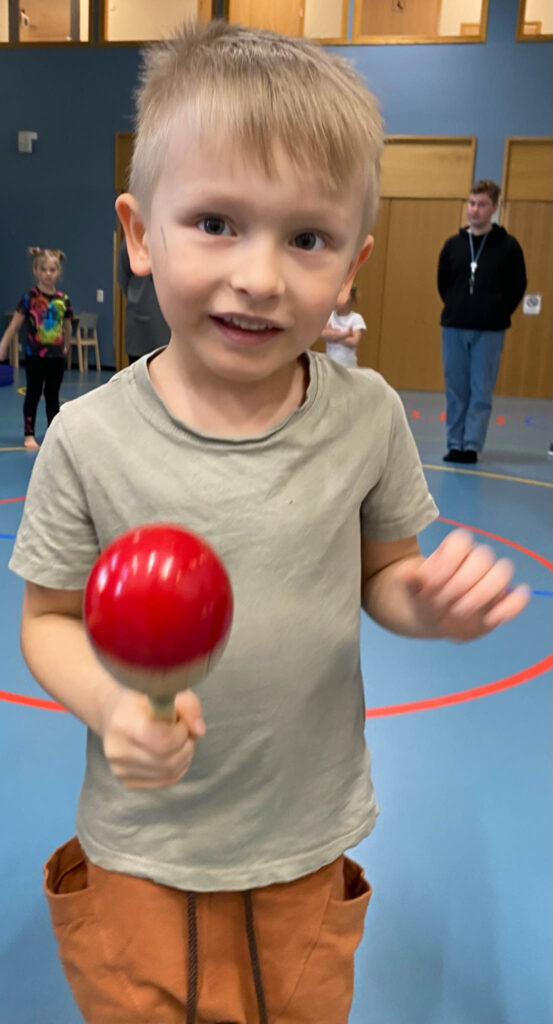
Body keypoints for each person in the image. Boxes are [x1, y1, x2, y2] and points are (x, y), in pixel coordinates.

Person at [10, 22, 530, 1024]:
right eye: (215, 221)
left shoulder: (367, 414)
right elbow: (48, 621)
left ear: (352, 264)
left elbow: (384, 573)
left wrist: (421, 602)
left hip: (301, 837)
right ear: (139, 231)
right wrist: (113, 710)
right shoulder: (87, 436)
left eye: (305, 238)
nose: (260, 275)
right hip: (142, 843)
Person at [437, 179, 527, 464]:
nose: (474, 210)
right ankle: (454, 443)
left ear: (495, 208)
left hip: (490, 330)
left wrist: (497, 312)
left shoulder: (508, 247)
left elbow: (517, 286)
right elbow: (443, 283)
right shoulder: (453, 245)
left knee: (481, 389)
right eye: (471, 203)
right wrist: (457, 306)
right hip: (454, 326)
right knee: (456, 388)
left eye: (482, 204)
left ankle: (471, 445)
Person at [0, 247, 73, 449]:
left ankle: (52, 431)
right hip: (35, 356)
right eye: (44, 270)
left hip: (56, 356)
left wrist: (66, 346)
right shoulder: (30, 298)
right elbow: (15, 325)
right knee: (33, 393)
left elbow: (67, 327)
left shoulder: (63, 299)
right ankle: (29, 434)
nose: (48, 274)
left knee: (52, 396)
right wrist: (3, 345)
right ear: (36, 271)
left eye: (52, 270)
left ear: (58, 272)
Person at [116, 235, 170, 362]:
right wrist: (136, 295)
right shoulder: (132, 241)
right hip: (138, 326)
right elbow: (123, 275)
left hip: (165, 323)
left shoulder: (173, 238)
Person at [321, 284, 366, 368]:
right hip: (330, 364)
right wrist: (344, 335)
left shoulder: (356, 318)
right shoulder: (330, 316)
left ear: (350, 301)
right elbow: (323, 335)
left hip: (347, 365)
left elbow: (354, 342)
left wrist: (333, 335)